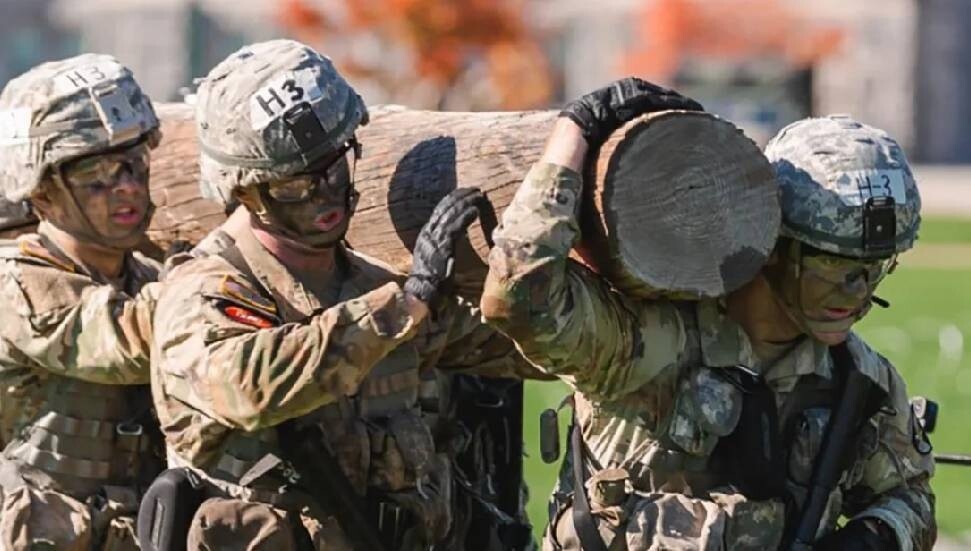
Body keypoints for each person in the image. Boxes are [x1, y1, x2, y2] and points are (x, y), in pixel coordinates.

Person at [480, 78, 935, 551]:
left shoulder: (860, 380)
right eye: (835, 265)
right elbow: (518, 296)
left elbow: (910, 495)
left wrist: (875, 536)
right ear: (776, 245)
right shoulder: (650, 341)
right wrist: (573, 132)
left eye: (873, 269)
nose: (857, 292)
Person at [148, 39, 536, 550]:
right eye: (292, 187)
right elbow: (246, 386)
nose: (322, 195)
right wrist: (406, 304)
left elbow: (510, 346)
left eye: (333, 167)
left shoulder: (370, 286)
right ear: (243, 190)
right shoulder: (206, 291)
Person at [0, 54, 163, 550]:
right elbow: (123, 341)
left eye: (135, 163)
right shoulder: (18, 286)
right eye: (97, 175)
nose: (127, 187)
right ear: (42, 194)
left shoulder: (148, 280)